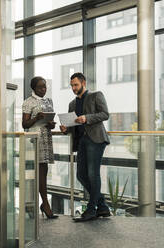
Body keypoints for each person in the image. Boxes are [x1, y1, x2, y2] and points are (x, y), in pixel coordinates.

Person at [60, 72, 110, 221]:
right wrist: (65, 129)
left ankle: (91, 209)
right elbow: (72, 125)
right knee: (81, 175)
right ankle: (102, 207)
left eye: (76, 85)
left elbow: (105, 114)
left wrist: (86, 118)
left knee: (93, 174)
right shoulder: (72, 104)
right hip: (81, 141)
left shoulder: (96, 95)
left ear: (83, 83)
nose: (73, 88)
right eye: (71, 86)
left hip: (95, 140)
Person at [22, 76, 58, 219]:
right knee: (38, 173)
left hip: (46, 138)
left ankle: (43, 204)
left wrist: (50, 123)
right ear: (34, 88)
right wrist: (37, 118)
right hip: (35, 139)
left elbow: (50, 120)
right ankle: (44, 204)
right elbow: (25, 124)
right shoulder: (28, 102)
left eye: (45, 87)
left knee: (44, 171)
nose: (43, 89)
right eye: (40, 87)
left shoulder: (49, 101)